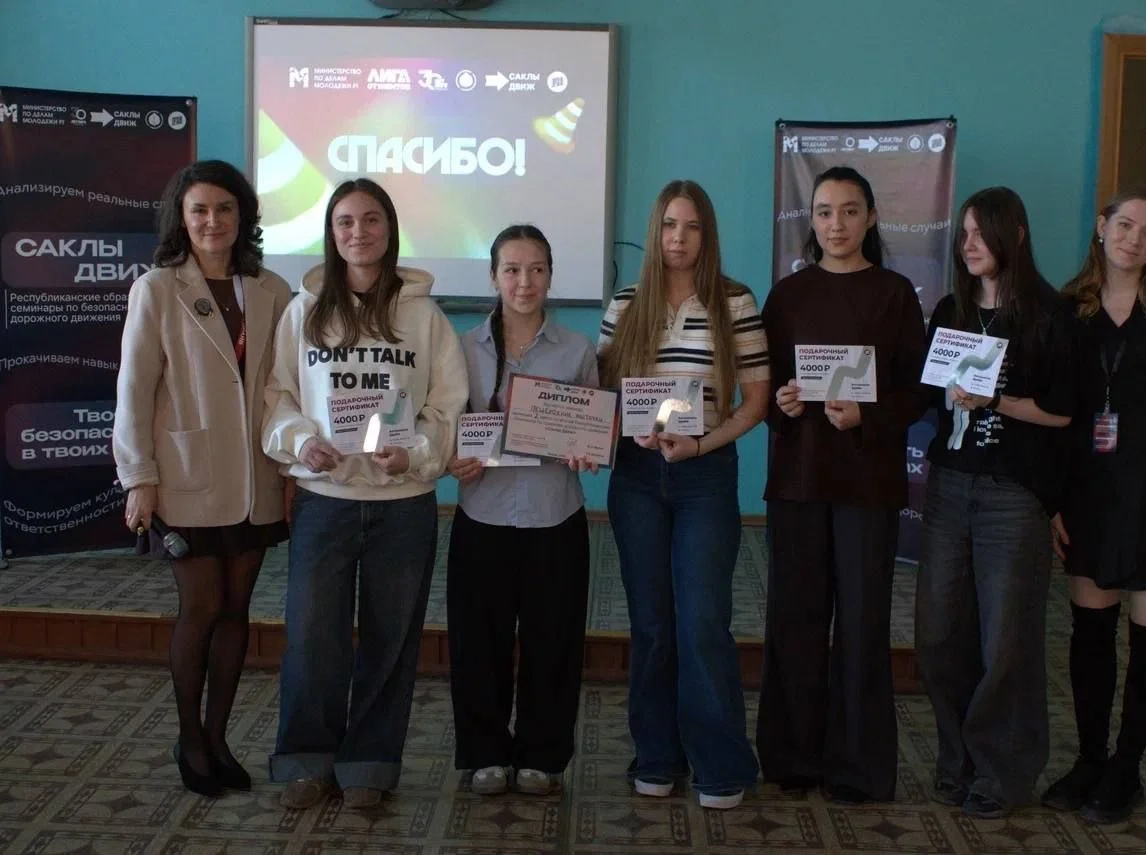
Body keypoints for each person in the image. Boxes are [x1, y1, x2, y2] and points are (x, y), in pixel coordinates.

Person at [262, 178, 468, 810]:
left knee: (391, 639)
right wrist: (302, 443)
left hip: (402, 504)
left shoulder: (425, 317)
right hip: (324, 500)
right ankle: (306, 761)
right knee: (312, 637)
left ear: (390, 229)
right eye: (345, 222)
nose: (359, 232)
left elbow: (446, 406)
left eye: (371, 220)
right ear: (331, 233)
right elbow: (278, 397)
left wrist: (417, 453)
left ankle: (370, 767)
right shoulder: (303, 311)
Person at [114, 159, 293, 797]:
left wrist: (292, 468)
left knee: (238, 609)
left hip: (255, 478)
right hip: (186, 477)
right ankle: (190, 738)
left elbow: (284, 388)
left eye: (224, 208)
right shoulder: (157, 289)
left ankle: (219, 738)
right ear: (181, 219)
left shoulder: (272, 289)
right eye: (199, 211)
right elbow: (134, 389)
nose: (212, 221)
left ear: (242, 215)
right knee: (202, 607)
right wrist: (139, 476)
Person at [1043, 187, 1146, 824]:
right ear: (1102, 227)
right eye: (1124, 225)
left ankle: (1126, 768)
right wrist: (1054, 501)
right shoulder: (1070, 309)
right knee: (1091, 633)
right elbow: (1058, 413)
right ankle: (1090, 760)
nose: (1133, 239)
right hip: (1087, 492)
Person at [757, 165, 927, 803]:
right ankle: (793, 758)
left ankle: (858, 766)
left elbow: (917, 391)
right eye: (825, 212)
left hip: (867, 484)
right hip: (798, 480)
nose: (836, 224)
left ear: (871, 218)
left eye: (850, 211)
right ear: (811, 220)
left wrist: (867, 416)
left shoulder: (895, 294)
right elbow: (765, 389)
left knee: (861, 624)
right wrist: (782, 404)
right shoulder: (787, 296)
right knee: (795, 620)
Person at [598, 179, 769, 810]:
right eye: (670, 225)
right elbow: (603, 395)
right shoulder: (625, 303)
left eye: (692, 226)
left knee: (702, 621)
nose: (679, 238)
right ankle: (656, 756)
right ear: (655, 231)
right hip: (637, 478)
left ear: (707, 234)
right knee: (650, 623)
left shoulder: (735, 300)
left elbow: (754, 401)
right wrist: (622, 428)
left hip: (705, 476)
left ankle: (719, 764)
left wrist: (700, 445)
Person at [914, 187, 1075, 818]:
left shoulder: (1049, 315)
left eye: (982, 233)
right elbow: (928, 393)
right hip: (949, 487)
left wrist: (995, 401)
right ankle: (957, 758)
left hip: (1013, 495)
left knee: (1006, 641)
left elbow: (1063, 412)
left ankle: (1000, 771)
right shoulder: (950, 310)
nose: (970, 244)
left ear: (1017, 234)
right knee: (937, 634)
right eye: (964, 234)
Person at [446, 225, 598, 797]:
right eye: (511, 269)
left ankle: (543, 753)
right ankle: (484, 751)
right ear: (493, 277)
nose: (524, 282)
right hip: (482, 515)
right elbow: (446, 426)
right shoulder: (461, 349)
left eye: (536, 269)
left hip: (555, 515)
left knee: (553, 640)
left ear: (551, 276)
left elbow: (594, 430)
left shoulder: (578, 350)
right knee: (477, 641)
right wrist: (452, 459)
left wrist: (587, 447)